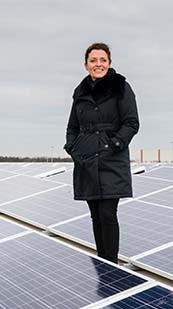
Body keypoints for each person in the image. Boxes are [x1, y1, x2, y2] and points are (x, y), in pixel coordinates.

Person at [64, 42, 139, 264]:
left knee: (108, 214)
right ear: (86, 65)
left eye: (103, 60)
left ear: (109, 63)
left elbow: (131, 123)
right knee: (95, 216)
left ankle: (112, 264)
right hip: (86, 160)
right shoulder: (80, 92)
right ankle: (103, 262)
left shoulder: (121, 87)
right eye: (94, 60)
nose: (99, 64)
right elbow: (72, 127)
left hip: (111, 160)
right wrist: (73, 148)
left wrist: (114, 144)